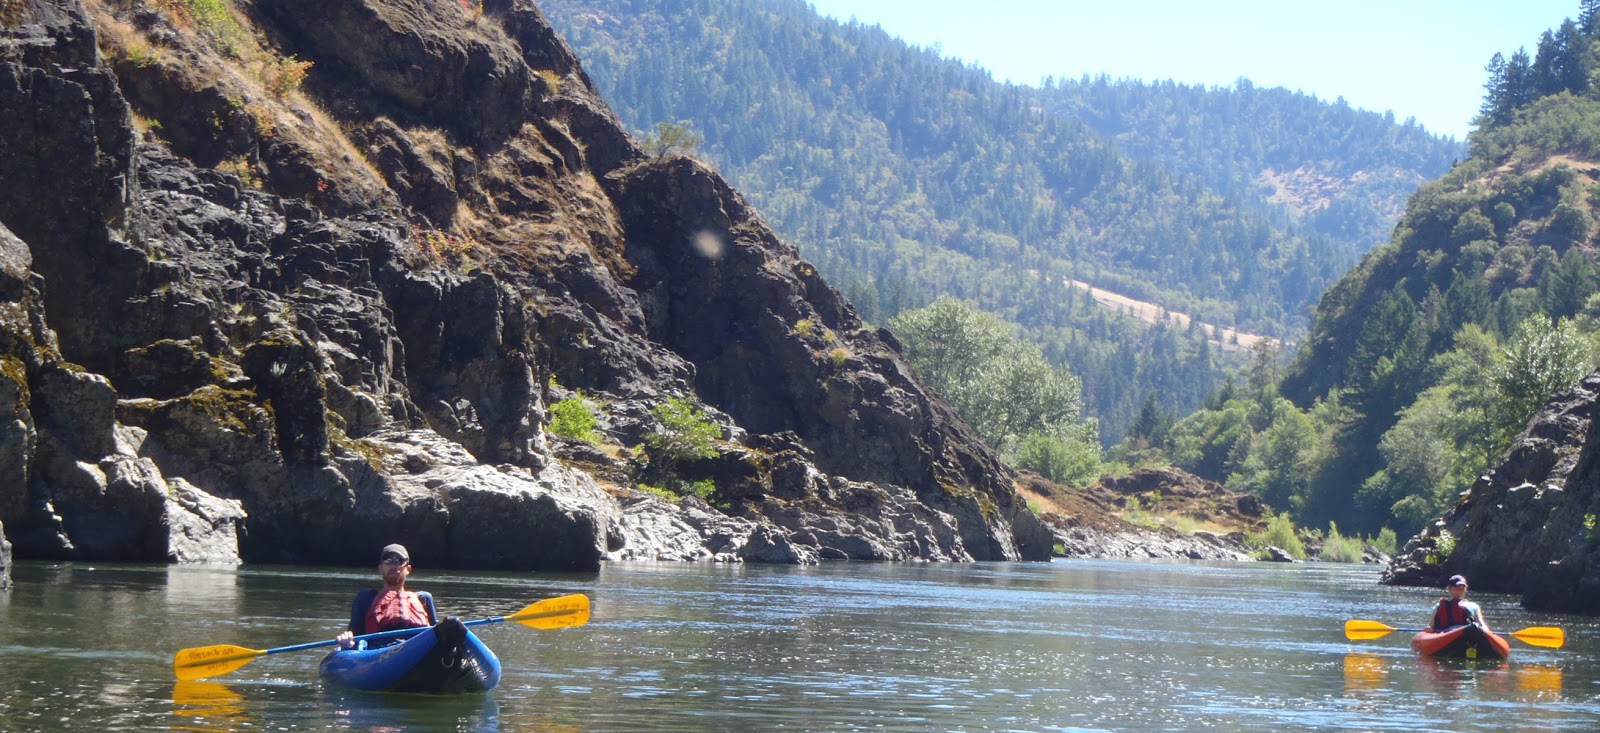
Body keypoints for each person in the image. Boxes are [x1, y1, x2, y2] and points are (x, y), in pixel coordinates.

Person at [336, 543, 439, 649]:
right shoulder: (366, 598)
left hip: (417, 647)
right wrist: (348, 643)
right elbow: (355, 635)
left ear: (408, 569)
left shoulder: (423, 599)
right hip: (380, 649)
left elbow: (435, 636)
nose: (394, 566)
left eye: (399, 561)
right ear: (380, 568)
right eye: (388, 561)